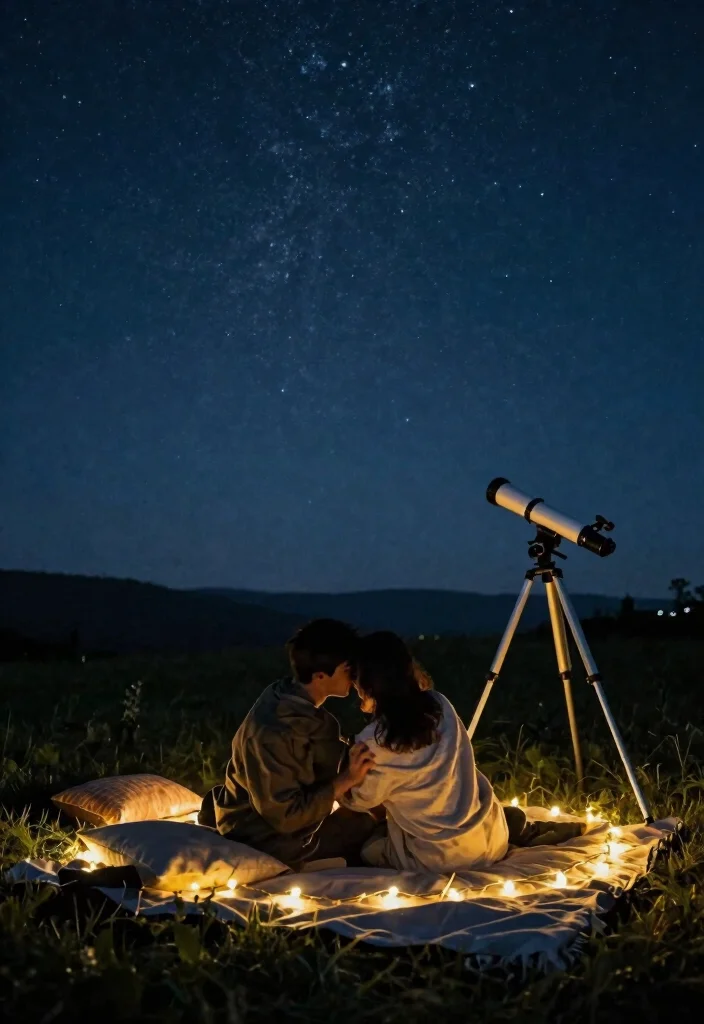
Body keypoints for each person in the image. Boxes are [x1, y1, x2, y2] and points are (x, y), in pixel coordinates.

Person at [199, 619, 378, 869]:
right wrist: (345, 780)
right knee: (365, 827)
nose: (354, 676)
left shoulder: (291, 700)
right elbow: (285, 816)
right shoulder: (275, 730)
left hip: (269, 814)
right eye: (348, 668)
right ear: (320, 675)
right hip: (266, 836)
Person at [341, 631, 511, 874]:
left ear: (365, 683)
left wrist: (347, 778)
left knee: (368, 847)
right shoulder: (439, 704)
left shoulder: (373, 741)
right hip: (490, 840)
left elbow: (361, 800)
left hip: (437, 859)